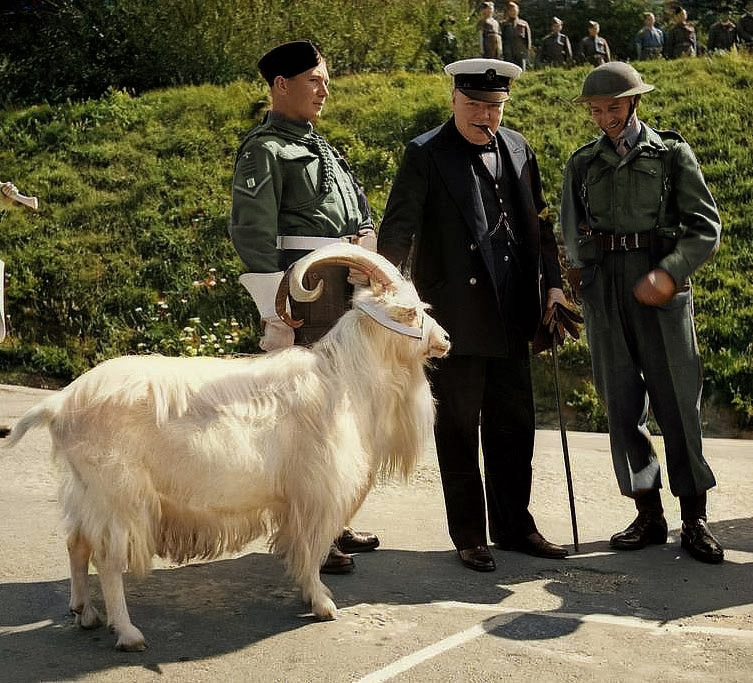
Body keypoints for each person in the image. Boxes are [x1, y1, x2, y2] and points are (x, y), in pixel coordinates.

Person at [377, 58, 570, 572]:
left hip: (514, 312)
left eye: (494, 106)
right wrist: (387, 290)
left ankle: (516, 526)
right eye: (474, 105)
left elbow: (542, 225)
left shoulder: (518, 148)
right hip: (455, 318)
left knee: (515, 426)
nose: (485, 115)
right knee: (459, 428)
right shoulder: (425, 153)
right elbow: (398, 227)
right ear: (454, 101)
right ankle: (469, 534)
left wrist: (553, 285)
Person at [560, 62, 724, 564]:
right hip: (606, 290)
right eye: (595, 110)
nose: (604, 117)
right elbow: (572, 228)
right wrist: (581, 279)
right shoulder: (583, 162)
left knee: (678, 405)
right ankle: (649, 512)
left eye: (613, 107)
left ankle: (693, 518)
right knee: (623, 409)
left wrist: (671, 273)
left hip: (659, 285)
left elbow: (705, 227)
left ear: (634, 103)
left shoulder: (671, 155)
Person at [229, 40, 380, 575]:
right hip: (306, 296)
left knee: (340, 413)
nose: (324, 88)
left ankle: (331, 519)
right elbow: (252, 232)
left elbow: (356, 213)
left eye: (325, 79)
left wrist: (366, 244)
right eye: (314, 80)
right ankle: (307, 534)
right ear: (281, 86)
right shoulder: (265, 150)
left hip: (345, 290)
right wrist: (277, 308)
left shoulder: (323, 147)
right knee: (308, 420)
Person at [500, 2, 532, 70]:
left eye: (514, 10)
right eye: (511, 11)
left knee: (521, 71)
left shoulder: (524, 23)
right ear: (508, 12)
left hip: (520, 52)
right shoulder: (503, 24)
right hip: (508, 53)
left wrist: (527, 51)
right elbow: (500, 39)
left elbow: (528, 39)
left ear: (518, 10)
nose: (513, 12)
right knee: (508, 72)